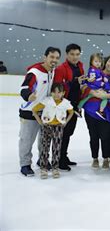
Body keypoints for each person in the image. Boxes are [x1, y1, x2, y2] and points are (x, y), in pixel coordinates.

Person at [19, 46, 60, 177]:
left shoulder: (52, 71)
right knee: (27, 139)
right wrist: (28, 95)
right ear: (45, 57)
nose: (54, 60)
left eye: (57, 58)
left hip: (45, 112)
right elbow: (24, 88)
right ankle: (25, 164)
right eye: (51, 57)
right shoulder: (35, 72)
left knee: (44, 139)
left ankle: (42, 159)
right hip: (29, 112)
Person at [83, 55, 110, 169]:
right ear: (106, 62)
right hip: (90, 110)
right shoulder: (95, 73)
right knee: (93, 136)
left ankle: (105, 158)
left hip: (106, 112)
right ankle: (94, 158)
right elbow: (85, 86)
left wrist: (106, 95)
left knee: (106, 136)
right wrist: (92, 92)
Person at [53, 43, 85, 171]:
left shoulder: (80, 66)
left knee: (69, 132)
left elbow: (80, 86)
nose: (75, 57)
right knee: (63, 133)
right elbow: (58, 88)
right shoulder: (61, 68)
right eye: (72, 54)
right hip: (64, 106)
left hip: (75, 105)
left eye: (77, 54)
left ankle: (63, 156)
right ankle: (60, 159)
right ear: (67, 54)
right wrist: (74, 82)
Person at [31, 83, 74, 179]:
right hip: (46, 126)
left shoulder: (66, 103)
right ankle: (44, 168)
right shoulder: (47, 101)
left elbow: (71, 112)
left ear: (63, 93)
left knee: (56, 148)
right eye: (54, 92)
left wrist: (65, 122)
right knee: (44, 147)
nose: (56, 94)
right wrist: (40, 122)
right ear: (51, 93)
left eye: (59, 92)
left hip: (58, 127)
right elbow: (34, 110)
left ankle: (55, 168)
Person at [77, 53, 108, 120]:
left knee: (87, 98)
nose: (98, 63)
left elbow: (102, 74)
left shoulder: (98, 69)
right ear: (91, 62)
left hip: (96, 88)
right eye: (96, 61)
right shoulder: (92, 70)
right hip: (93, 88)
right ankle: (101, 110)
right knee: (104, 97)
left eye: (99, 62)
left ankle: (79, 108)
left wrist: (105, 77)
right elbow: (92, 80)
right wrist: (101, 84)